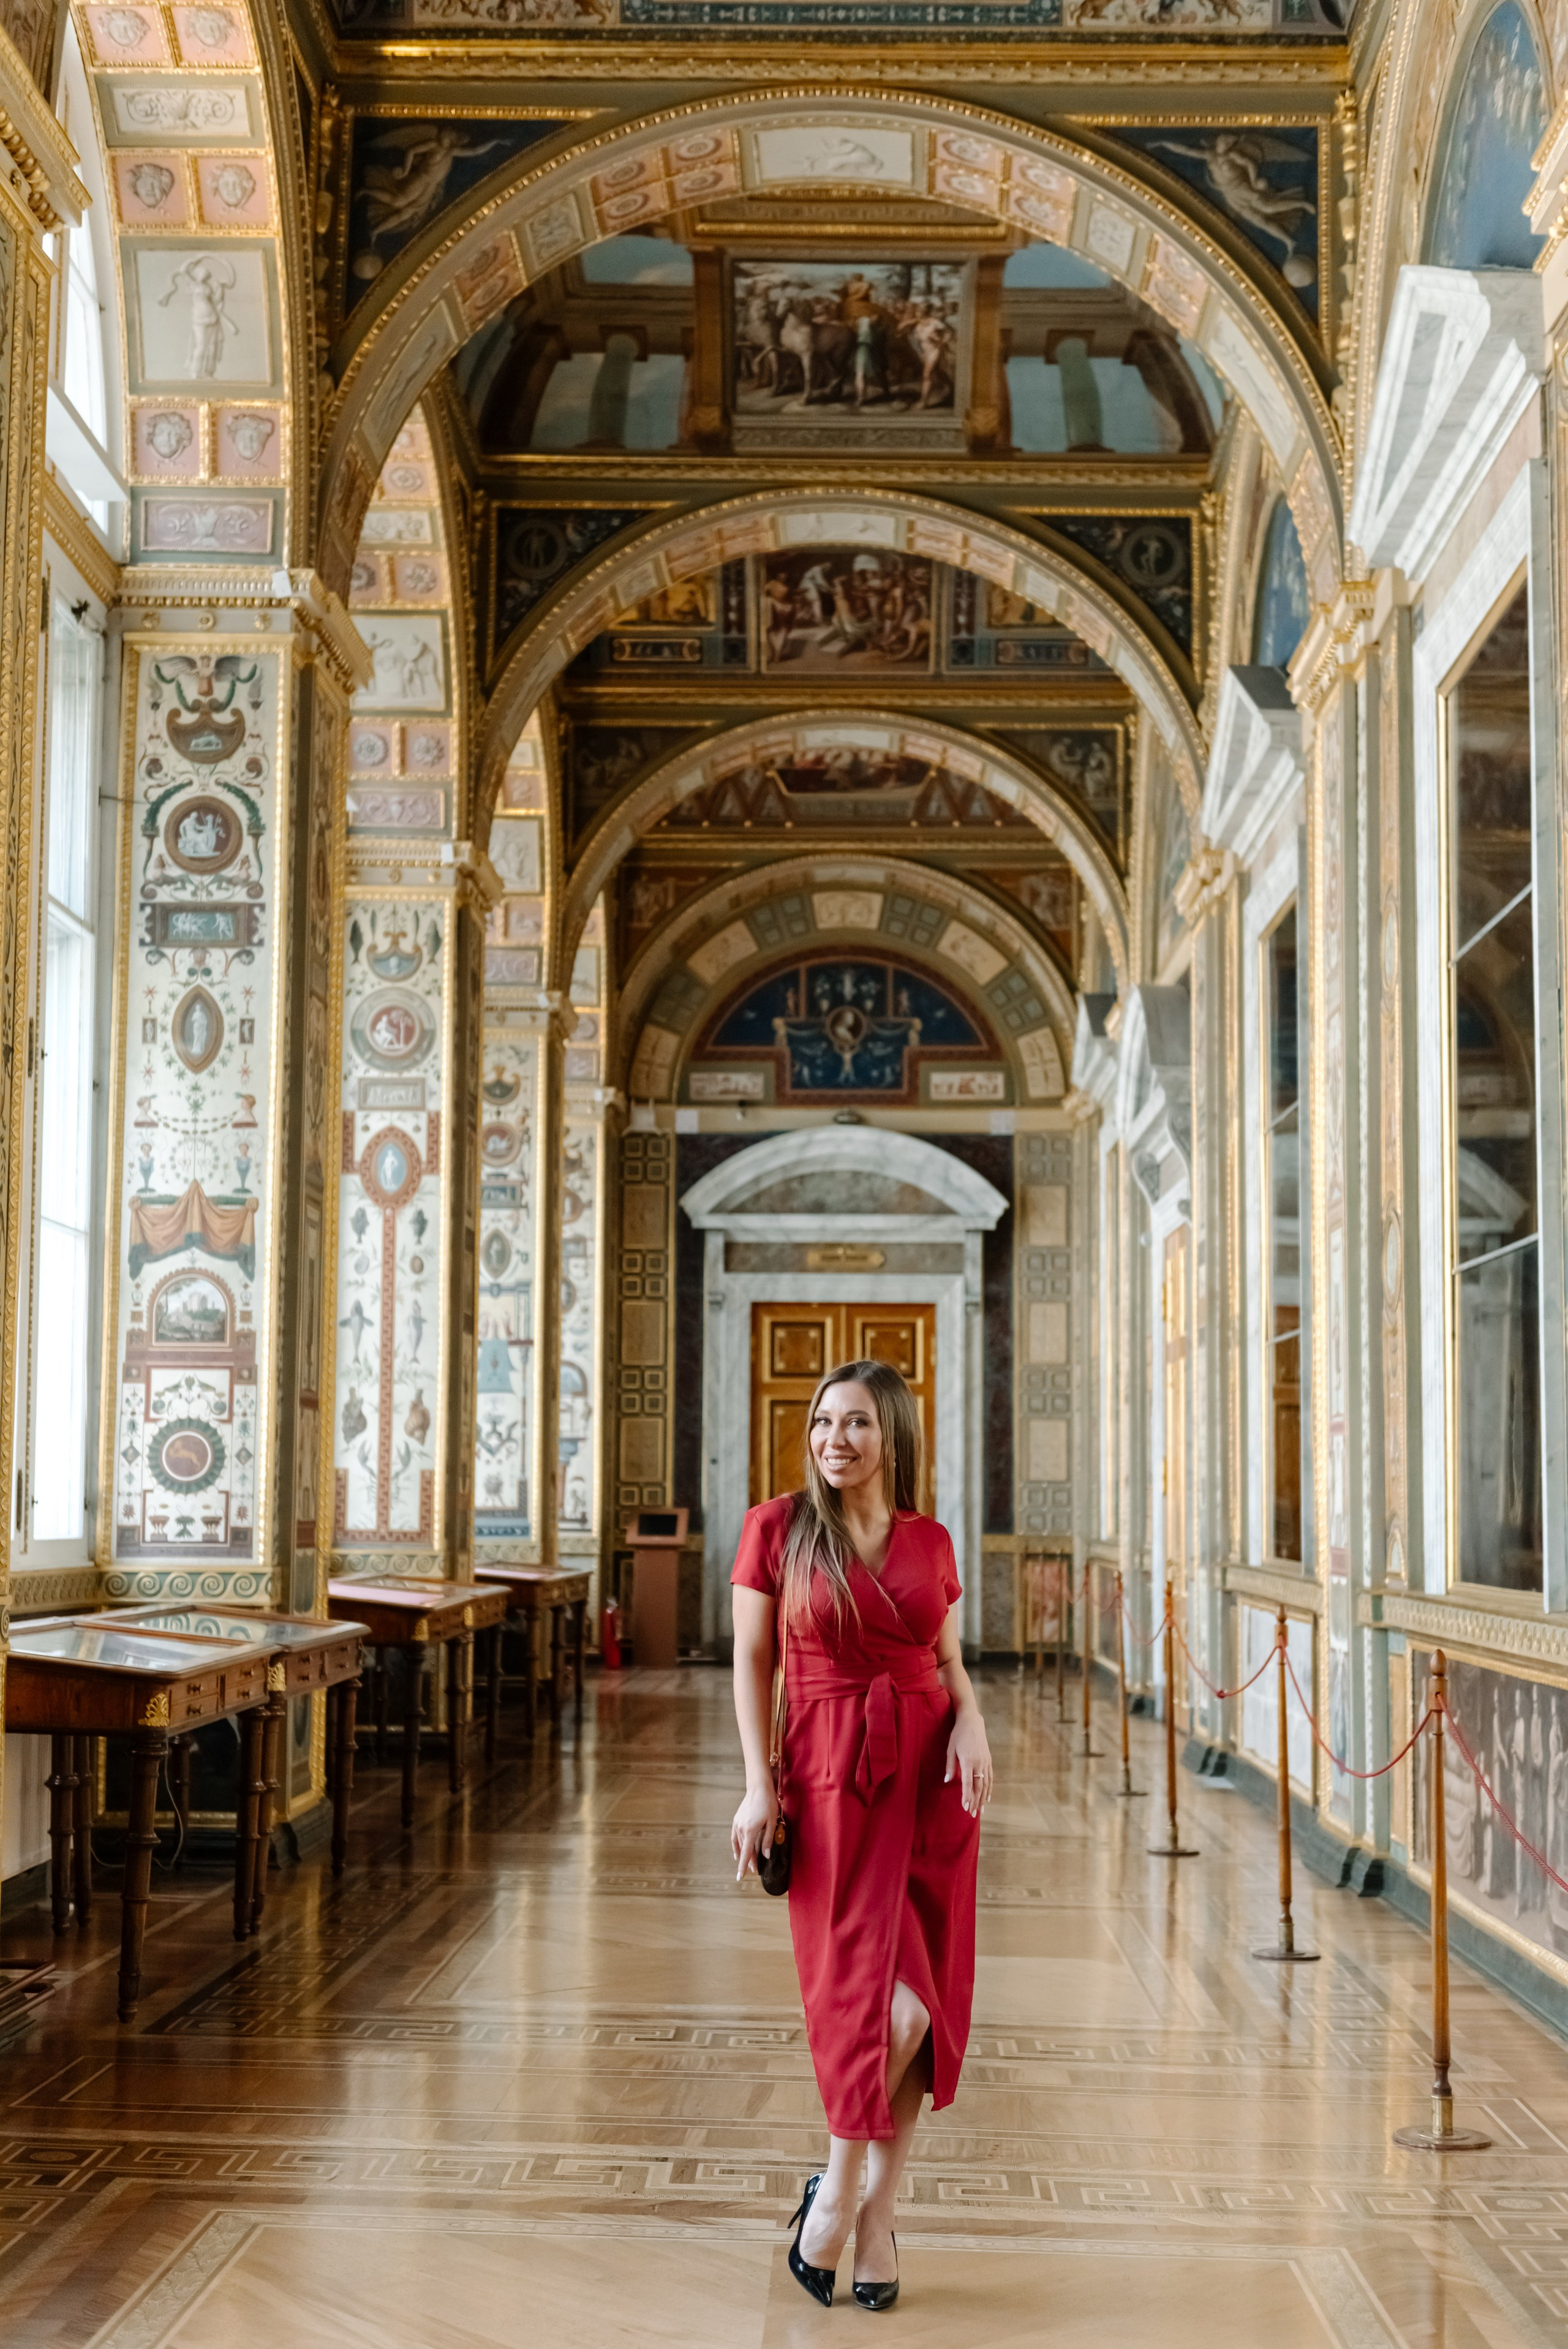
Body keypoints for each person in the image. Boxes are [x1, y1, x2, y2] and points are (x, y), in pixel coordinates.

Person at [730, 1359, 993, 2311]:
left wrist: (971, 1719)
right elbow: (752, 1667)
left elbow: (948, 1658)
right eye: (822, 1424)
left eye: (856, 1426)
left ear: (894, 1438)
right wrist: (761, 1788)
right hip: (834, 1780)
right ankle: (845, 2194)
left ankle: (865, 2208)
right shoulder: (778, 1530)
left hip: (931, 1780)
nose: (834, 1441)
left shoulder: (930, 1539)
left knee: (918, 2012)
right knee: (869, 2009)